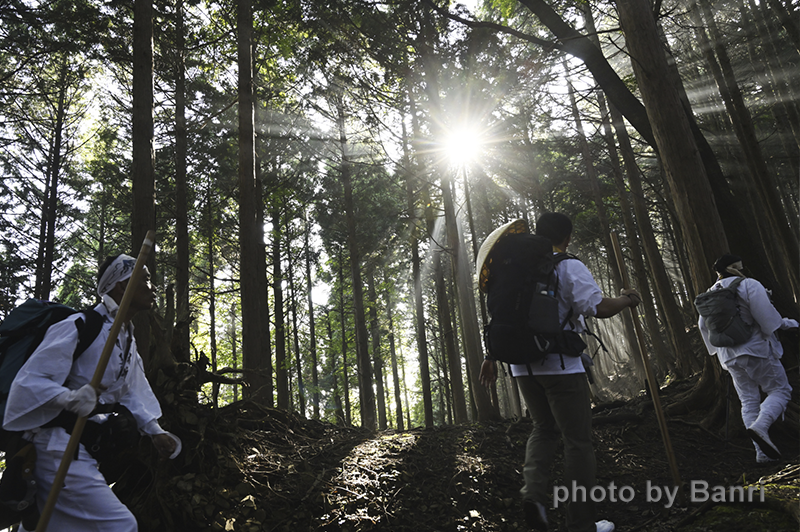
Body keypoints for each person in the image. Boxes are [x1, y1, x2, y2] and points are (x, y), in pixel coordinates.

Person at [479, 212, 641, 532]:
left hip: (521, 367)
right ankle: (581, 525)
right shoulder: (567, 265)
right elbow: (597, 307)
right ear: (567, 237)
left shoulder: (514, 268)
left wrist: (491, 356)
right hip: (560, 366)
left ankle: (534, 496)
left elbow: (504, 315)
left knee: (543, 429)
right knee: (578, 442)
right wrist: (625, 299)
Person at [3, 253, 182, 531]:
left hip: (85, 449)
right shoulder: (81, 326)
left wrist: (154, 431)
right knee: (120, 526)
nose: (153, 287)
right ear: (121, 286)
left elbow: (134, 389)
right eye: (145, 280)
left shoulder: (126, 337)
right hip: (56, 449)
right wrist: (70, 398)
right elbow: (29, 381)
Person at [697, 253, 797, 464]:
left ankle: (761, 454)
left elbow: (702, 326)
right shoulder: (749, 284)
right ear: (735, 267)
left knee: (749, 400)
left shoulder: (710, 293)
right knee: (780, 390)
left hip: (728, 357)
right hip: (756, 350)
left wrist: (716, 351)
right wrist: (789, 324)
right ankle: (761, 426)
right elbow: (767, 317)